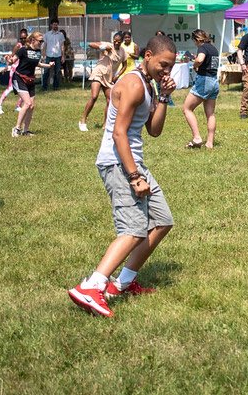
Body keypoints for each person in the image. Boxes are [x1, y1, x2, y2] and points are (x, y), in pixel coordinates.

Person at [67, 35, 177, 318]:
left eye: (171, 67)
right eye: (163, 65)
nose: (166, 70)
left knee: (162, 220)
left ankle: (123, 283)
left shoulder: (149, 85)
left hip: (133, 162)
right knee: (132, 230)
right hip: (119, 164)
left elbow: (154, 130)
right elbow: (118, 133)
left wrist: (164, 96)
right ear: (148, 55)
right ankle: (92, 287)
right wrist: (134, 176)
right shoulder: (132, 84)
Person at [8, 32, 55, 137]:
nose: (41, 43)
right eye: (40, 41)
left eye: (42, 41)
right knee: (28, 103)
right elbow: (13, 60)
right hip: (19, 78)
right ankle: (16, 129)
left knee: (32, 106)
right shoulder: (23, 50)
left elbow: (36, 63)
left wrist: (48, 65)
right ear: (33, 40)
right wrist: (9, 60)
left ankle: (26, 130)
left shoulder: (38, 51)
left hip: (30, 80)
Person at [79, 33, 126, 132]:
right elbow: (91, 44)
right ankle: (83, 120)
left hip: (109, 77)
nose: (116, 43)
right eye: (115, 40)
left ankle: (106, 124)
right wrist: (103, 47)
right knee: (94, 96)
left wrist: (117, 76)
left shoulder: (122, 51)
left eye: (119, 41)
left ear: (122, 42)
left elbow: (124, 65)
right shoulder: (108, 45)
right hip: (99, 72)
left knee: (110, 100)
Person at [183, 29, 219, 149]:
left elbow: (200, 59)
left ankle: (197, 137)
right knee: (210, 114)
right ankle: (209, 143)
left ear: (196, 39)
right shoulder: (213, 48)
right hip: (214, 81)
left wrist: (194, 65)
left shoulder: (202, 47)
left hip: (204, 81)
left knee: (187, 108)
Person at [0, 28, 28, 114]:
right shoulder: (18, 46)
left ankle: (18, 106)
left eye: (25, 38)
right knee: (10, 88)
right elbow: (12, 57)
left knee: (24, 89)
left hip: (23, 70)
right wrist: (7, 66)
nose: (23, 40)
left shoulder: (28, 46)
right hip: (15, 69)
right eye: (21, 38)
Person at [41, 19, 64, 91]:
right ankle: (44, 87)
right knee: (46, 72)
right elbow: (44, 45)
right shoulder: (47, 34)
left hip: (58, 55)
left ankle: (55, 87)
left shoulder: (61, 35)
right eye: (54, 24)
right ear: (51, 25)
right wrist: (43, 55)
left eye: (56, 25)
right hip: (49, 55)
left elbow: (62, 45)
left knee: (57, 72)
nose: (55, 26)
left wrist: (63, 56)